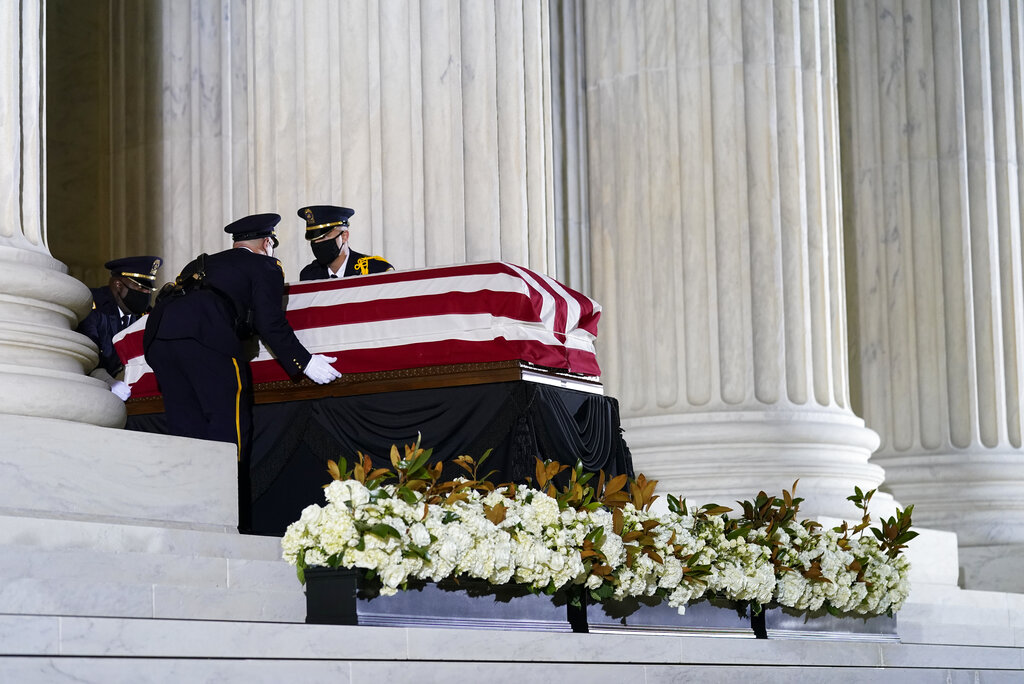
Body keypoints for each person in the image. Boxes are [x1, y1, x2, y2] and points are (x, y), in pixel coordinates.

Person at [143, 212, 341, 459]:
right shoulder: (265, 265)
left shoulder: (199, 263)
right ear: (267, 243)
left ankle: (190, 493)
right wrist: (305, 361)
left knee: (186, 430)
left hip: (159, 339)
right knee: (228, 428)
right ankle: (226, 494)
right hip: (208, 340)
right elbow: (269, 320)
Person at [77, 255, 162, 401]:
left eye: (149, 289)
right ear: (118, 285)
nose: (146, 293)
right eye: (140, 287)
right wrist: (106, 380)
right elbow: (86, 351)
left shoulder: (144, 316)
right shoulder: (94, 305)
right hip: (85, 388)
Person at [297, 204, 393, 281]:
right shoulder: (309, 275)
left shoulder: (374, 270)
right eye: (314, 239)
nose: (317, 243)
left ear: (344, 236)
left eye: (324, 237)